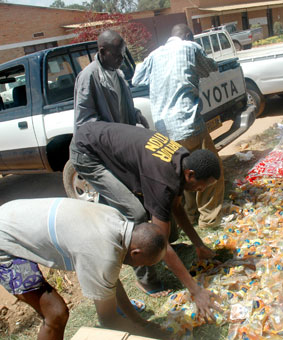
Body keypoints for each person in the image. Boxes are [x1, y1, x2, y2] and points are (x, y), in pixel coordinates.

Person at [69, 120, 223, 320]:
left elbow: (176, 206)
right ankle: (145, 280)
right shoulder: (164, 180)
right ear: (190, 174)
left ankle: (163, 258)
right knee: (139, 216)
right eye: (201, 186)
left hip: (102, 139)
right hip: (87, 151)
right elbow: (159, 238)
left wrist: (199, 245)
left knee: (160, 217)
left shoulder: (182, 159)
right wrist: (196, 290)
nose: (200, 190)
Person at [0, 198, 170, 340]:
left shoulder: (118, 222)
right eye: (145, 263)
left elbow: (109, 280)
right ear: (135, 253)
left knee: (57, 311)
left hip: (12, 214)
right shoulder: (102, 252)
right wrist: (149, 334)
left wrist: (140, 323)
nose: (142, 268)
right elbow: (108, 320)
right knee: (56, 313)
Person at [132, 24, 225, 230]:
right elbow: (210, 68)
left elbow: (136, 79)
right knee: (210, 170)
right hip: (188, 123)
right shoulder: (190, 47)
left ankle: (190, 217)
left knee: (184, 173)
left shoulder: (154, 54)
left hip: (165, 130)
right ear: (189, 36)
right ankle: (209, 220)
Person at [73, 29, 148, 127]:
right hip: (106, 140)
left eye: (123, 54)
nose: (121, 58)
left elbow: (120, 107)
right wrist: (112, 134)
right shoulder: (88, 77)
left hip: (121, 137)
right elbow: (85, 121)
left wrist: (136, 114)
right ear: (102, 52)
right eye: (116, 54)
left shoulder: (118, 74)